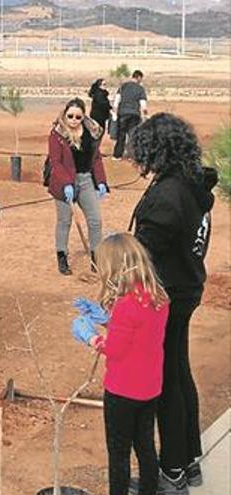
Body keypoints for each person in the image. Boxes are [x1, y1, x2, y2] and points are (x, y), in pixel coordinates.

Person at [128, 113, 218, 493]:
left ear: (157, 149)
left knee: (165, 382)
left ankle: (172, 472)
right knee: (179, 371)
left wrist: (113, 256)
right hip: (185, 289)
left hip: (165, 296)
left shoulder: (169, 195)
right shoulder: (191, 184)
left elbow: (142, 253)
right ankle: (189, 461)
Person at [71, 233, 169, 495]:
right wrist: (106, 318)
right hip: (150, 387)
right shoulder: (158, 296)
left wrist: (91, 336)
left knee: (119, 453)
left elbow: (115, 349)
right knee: (146, 446)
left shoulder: (126, 305)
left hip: (122, 390)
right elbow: (137, 334)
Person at [46, 98, 108, 276]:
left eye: (78, 117)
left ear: (83, 116)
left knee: (95, 220)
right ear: (65, 115)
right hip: (63, 181)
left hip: (86, 179)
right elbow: (56, 163)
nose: (73, 120)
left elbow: (95, 158)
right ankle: (62, 255)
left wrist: (101, 181)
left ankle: (96, 258)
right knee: (64, 221)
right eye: (70, 116)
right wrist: (66, 184)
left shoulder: (91, 132)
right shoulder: (57, 134)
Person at [112, 69, 148, 160]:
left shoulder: (123, 86)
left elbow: (116, 100)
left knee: (121, 134)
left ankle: (117, 155)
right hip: (134, 114)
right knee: (132, 135)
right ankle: (132, 155)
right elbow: (143, 104)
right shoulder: (140, 89)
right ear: (139, 77)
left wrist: (115, 113)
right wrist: (145, 115)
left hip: (123, 113)